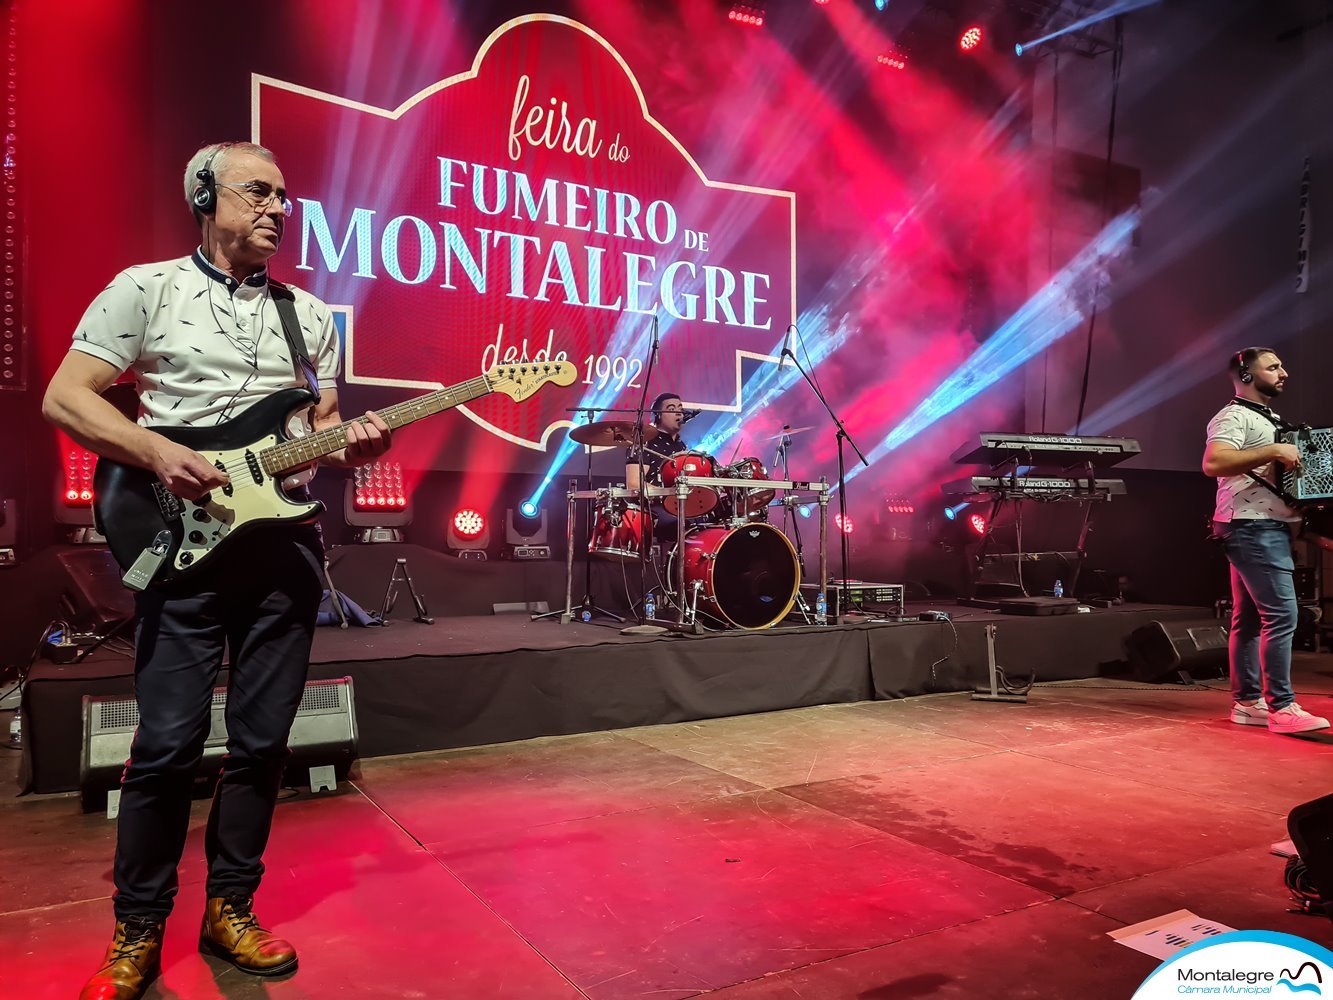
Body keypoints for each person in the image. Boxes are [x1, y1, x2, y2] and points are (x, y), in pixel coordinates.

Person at [42, 142, 393, 999]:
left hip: (282, 550)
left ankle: (231, 908)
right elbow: (66, 396)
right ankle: (137, 928)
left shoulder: (310, 315)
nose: (278, 209)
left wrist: (351, 447)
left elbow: (319, 429)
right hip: (185, 548)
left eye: (285, 196)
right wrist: (156, 451)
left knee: (263, 743)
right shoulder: (146, 288)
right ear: (204, 195)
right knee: (165, 746)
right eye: (258, 192)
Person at [1202, 347, 1328, 736]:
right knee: (1281, 616)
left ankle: (1247, 704)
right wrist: (1274, 449)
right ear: (1246, 374)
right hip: (1252, 526)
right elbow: (1213, 463)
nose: (1283, 372)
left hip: (1260, 525)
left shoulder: (1267, 417)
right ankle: (1282, 708)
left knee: (1250, 619)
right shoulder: (1234, 416)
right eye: (1273, 367)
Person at [625, 391, 695, 541]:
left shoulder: (682, 447)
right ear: (658, 415)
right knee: (686, 525)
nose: (679, 412)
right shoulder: (645, 442)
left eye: (680, 408)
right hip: (653, 508)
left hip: (680, 506)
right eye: (671, 409)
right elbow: (634, 484)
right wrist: (668, 493)